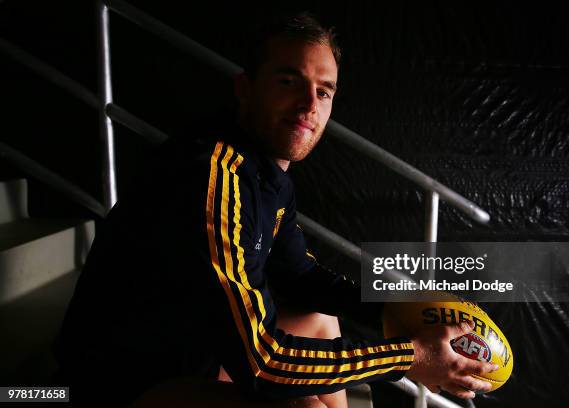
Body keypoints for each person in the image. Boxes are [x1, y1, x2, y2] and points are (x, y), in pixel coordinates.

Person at [54, 12, 498, 408]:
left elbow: (300, 277)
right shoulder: (213, 172)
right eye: (289, 82)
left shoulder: (267, 173)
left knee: (321, 320)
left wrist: (397, 309)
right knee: (294, 405)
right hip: (112, 385)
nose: (309, 105)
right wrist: (410, 355)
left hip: (195, 354)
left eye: (324, 92)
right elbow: (262, 364)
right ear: (246, 89)